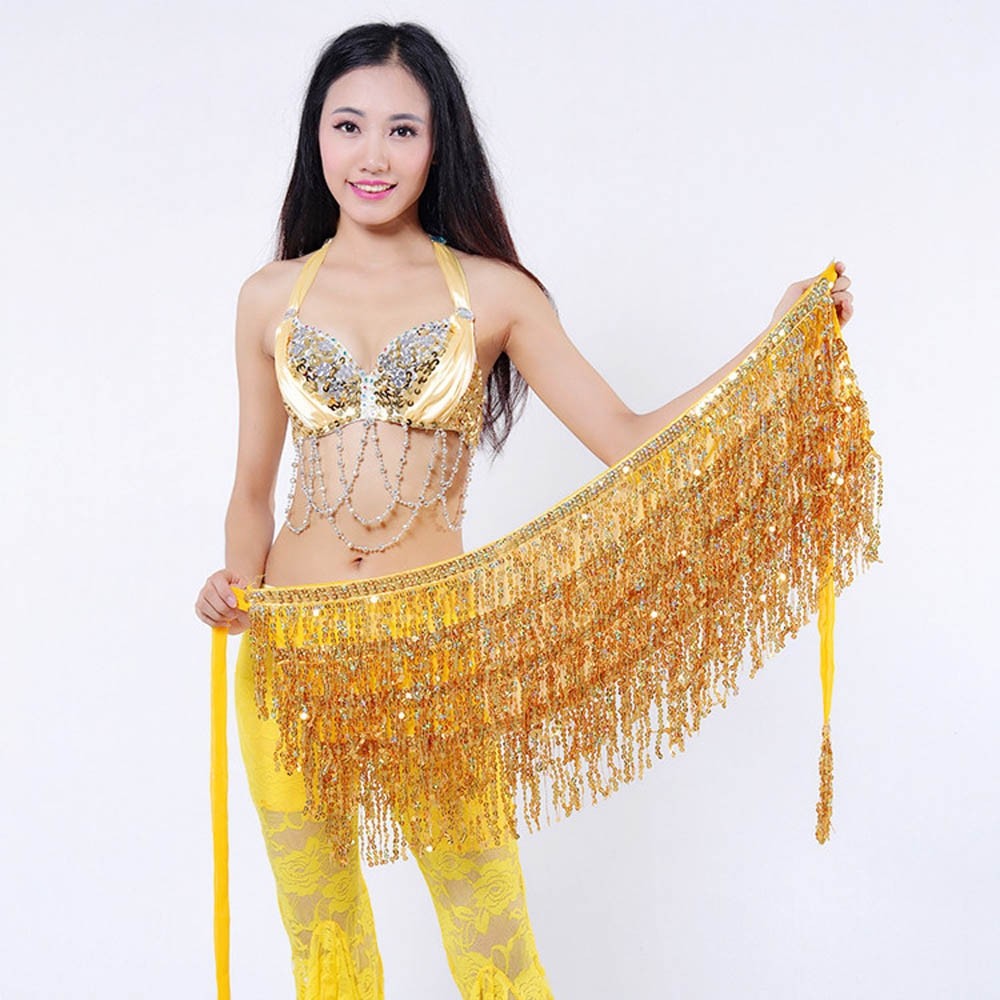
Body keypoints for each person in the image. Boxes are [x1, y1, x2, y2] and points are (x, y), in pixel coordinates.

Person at [194, 20, 860, 1000]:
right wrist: (233, 585)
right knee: (323, 944)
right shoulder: (268, 298)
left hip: (431, 655)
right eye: (348, 125)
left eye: (402, 131)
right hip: (289, 657)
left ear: (439, 144)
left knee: (491, 939)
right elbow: (250, 491)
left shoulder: (496, 295)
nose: (372, 156)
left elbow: (629, 436)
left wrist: (774, 340)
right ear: (316, 137)